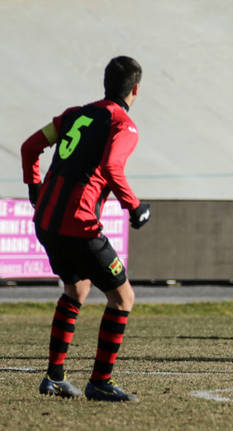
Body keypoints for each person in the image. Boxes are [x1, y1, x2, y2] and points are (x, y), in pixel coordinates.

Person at [20, 56, 151, 401]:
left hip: (46, 222)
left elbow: (30, 147)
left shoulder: (72, 115)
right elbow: (111, 166)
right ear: (135, 89)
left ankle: (54, 378)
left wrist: (35, 188)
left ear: (105, 83)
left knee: (75, 292)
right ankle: (101, 382)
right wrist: (134, 206)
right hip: (79, 224)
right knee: (123, 298)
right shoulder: (124, 125)